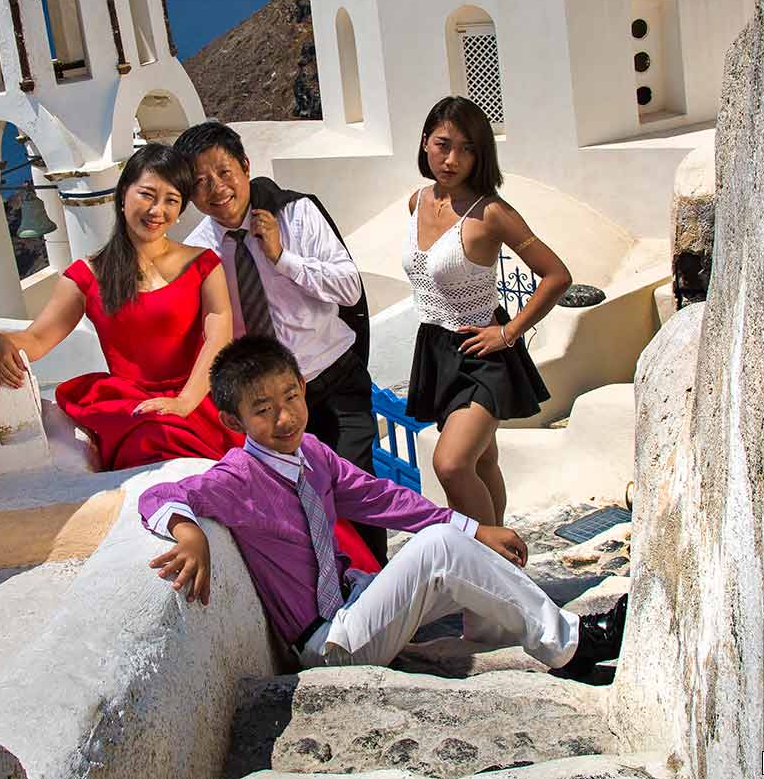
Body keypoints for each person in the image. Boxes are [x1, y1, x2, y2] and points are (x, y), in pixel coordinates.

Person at [138, 336, 625, 678]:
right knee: (439, 548)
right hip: (330, 642)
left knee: (458, 542)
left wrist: (476, 530)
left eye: (290, 396)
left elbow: (382, 498)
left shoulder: (312, 452)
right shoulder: (238, 477)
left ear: (303, 387)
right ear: (233, 419)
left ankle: (490, 634)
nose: (284, 417)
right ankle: (574, 646)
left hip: (358, 599)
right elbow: (156, 495)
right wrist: (189, 532)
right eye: (263, 410)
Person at [174, 120, 387, 562]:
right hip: (271, 404)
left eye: (224, 172)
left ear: (246, 167)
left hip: (333, 380)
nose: (216, 188)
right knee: (295, 507)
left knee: (357, 491)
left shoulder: (297, 213)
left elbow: (349, 288)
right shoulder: (198, 252)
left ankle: (380, 595)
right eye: (200, 181)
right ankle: (331, 604)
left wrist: (281, 258)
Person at [0, 144, 237, 470]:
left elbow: (219, 337)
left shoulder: (203, 265)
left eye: (171, 201)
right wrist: (2, 341)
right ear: (123, 196)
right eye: (148, 195)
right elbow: (37, 339)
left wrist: (185, 402)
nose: (157, 210)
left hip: (201, 401)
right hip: (139, 414)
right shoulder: (87, 276)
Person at [403, 96, 571, 527]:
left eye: (467, 148)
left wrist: (509, 332)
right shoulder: (415, 202)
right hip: (437, 350)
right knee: (482, 462)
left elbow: (556, 275)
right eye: (443, 144)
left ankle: (491, 561)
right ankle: (504, 570)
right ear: (425, 143)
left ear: (481, 154)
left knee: (452, 464)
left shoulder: (492, 213)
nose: (452, 158)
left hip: (483, 353)